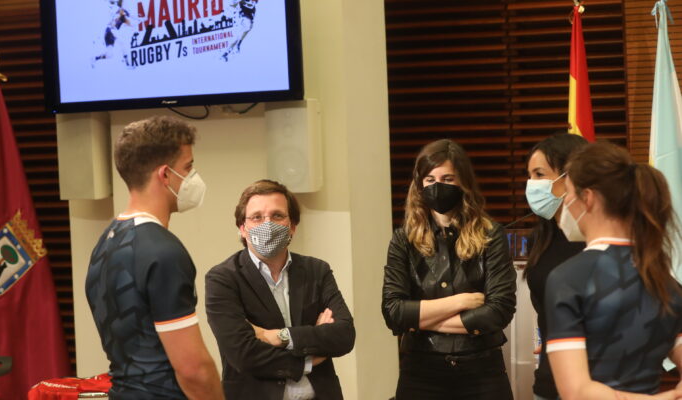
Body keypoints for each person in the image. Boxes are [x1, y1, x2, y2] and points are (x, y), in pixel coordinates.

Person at [85, 116, 224, 400]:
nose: (192, 176)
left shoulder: (105, 243)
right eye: (188, 167)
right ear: (165, 175)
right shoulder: (164, 251)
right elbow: (193, 369)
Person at [545, 142, 682, 399]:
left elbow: (576, 392)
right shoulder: (664, 280)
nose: (565, 204)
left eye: (568, 194)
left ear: (588, 198)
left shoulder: (568, 278)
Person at [382, 139, 517, 400]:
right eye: (430, 179)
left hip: (482, 370)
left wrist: (421, 321)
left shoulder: (491, 235)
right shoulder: (403, 240)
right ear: (419, 185)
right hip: (421, 371)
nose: (437, 186)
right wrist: (460, 302)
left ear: (463, 182)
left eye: (447, 178)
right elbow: (394, 313)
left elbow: (499, 311)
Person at [205, 179, 355, 400]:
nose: (267, 224)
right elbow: (243, 354)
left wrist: (278, 336)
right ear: (242, 228)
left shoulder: (317, 270)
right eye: (257, 217)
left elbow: (344, 335)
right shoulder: (223, 278)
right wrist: (308, 359)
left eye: (277, 215)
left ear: (292, 226)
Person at [524, 133, 587, 400]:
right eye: (529, 176)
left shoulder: (600, 236)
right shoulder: (540, 237)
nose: (532, 184)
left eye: (539, 175)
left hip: (598, 383)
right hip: (549, 382)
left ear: (570, 177)